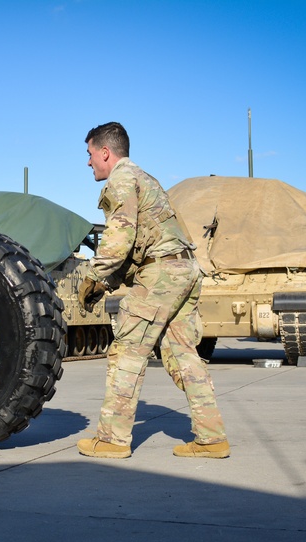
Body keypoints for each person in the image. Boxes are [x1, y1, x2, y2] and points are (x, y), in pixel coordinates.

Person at [76, 122, 230, 459]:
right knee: (184, 354)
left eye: (90, 154)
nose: (88, 162)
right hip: (183, 269)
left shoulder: (122, 179)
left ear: (105, 152)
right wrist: (108, 283)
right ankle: (212, 438)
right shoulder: (146, 179)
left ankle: (112, 440)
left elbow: (120, 237)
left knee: (127, 350)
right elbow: (142, 245)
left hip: (161, 273)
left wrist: (94, 275)